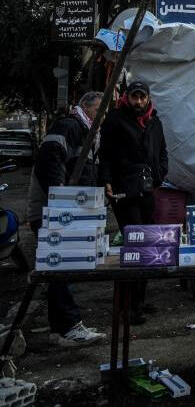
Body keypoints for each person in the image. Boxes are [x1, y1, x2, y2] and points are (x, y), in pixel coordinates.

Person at [25, 91, 108, 346]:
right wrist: (62, 199)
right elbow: (50, 160)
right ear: (86, 108)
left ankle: (59, 328)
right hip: (55, 212)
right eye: (99, 113)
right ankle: (69, 326)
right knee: (61, 268)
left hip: (66, 211)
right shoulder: (70, 126)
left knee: (59, 269)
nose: (101, 118)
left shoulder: (88, 133)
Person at [99, 81, 168, 324]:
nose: (138, 102)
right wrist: (106, 180)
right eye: (134, 97)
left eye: (142, 97)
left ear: (148, 98)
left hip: (148, 190)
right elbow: (104, 154)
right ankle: (127, 308)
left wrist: (160, 174)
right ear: (127, 98)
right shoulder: (115, 120)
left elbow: (162, 152)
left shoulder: (155, 121)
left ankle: (139, 300)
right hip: (124, 191)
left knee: (147, 245)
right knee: (135, 245)